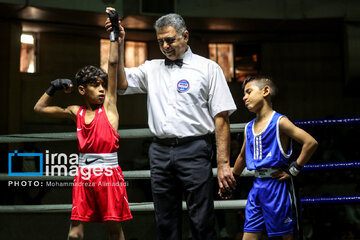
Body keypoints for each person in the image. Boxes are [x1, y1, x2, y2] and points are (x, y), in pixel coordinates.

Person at [106, 12, 237, 240]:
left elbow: (222, 118)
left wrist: (223, 163)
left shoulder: (209, 68)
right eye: (160, 41)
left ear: (185, 36)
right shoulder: (152, 68)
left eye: (170, 40)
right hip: (159, 151)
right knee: (165, 220)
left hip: (195, 149)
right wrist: (119, 42)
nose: (165, 46)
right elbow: (120, 83)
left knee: (201, 219)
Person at [34, 8, 132, 240]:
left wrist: (114, 35)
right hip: (83, 175)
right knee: (75, 233)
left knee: (115, 231)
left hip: (109, 175)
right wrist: (53, 86)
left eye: (102, 84)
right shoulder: (75, 112)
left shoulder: (109, 107)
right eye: (95, 85)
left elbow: (113, 64)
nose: (101, 88)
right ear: (81, 89)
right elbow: (39, 108)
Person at [227, 76, 318, 240]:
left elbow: (310, 142)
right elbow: (242, 156)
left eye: (249, 92)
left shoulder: (280, 122)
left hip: (278, 186)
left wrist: (293, 169)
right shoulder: (249, 127)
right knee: (248, 236)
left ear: (265, 91)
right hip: (257, 186)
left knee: (283, 237)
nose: (244, 97)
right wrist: (232, 180)